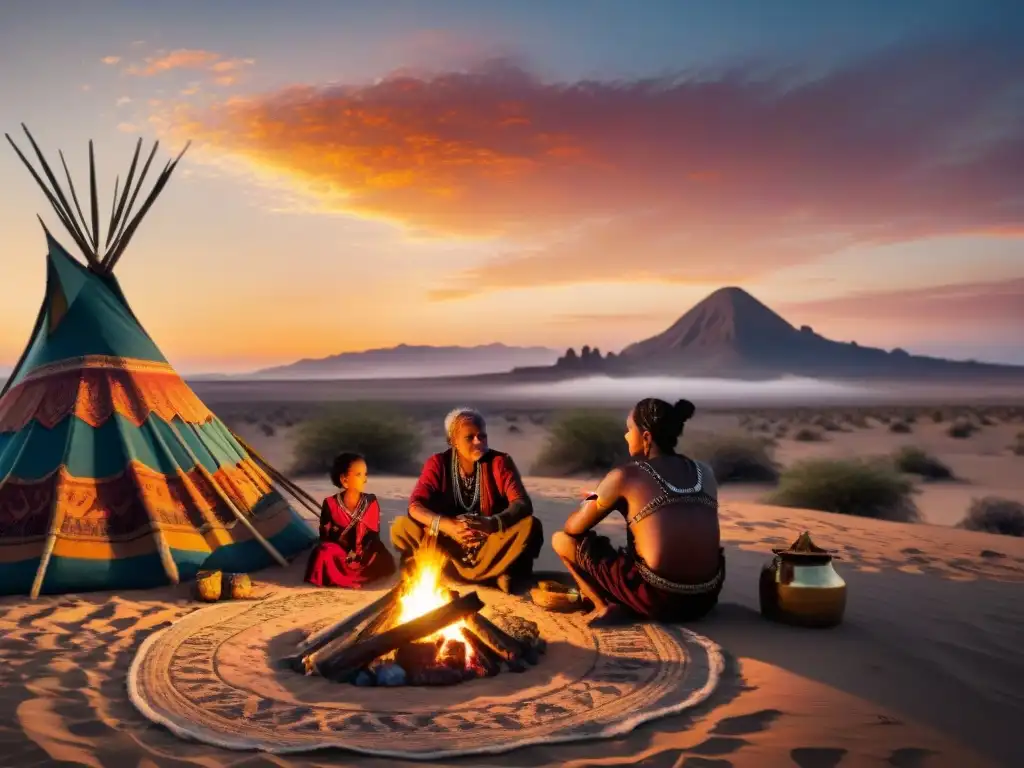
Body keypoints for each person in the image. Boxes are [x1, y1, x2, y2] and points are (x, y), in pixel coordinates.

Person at [551, 397, 725, 625]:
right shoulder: (705, 471)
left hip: (659, 601)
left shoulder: (625, 476)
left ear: (646, 437)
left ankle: (604, 606)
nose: (625, 436)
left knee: (561, 540)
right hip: (706, 598)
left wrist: (592, 497)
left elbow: (573, 527)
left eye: (628, 429)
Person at [391, 407, 543, 593]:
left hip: (489, 544)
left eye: (482, 436)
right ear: (453, 441)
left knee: (530, 525)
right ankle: (495, 573)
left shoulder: (499, 462)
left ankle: (490, 570)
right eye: (470, 437)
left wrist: (491, 524)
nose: (478, 442)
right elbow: (415, 506)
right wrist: (448, 526)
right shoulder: (437, 463)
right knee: (402, 526)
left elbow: (521, 503)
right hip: (449, 545)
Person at [305, 452, 397, 588]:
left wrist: (358, 552)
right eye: (359, 475)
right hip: (341, 552)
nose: (365, 479)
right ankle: (338, 573)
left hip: (364, 552)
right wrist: (346, 549)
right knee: (323, 551)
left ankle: (350, 573)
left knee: (380, 554)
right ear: (344, 480)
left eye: (365, 474)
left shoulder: (370, 501)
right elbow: (325, 535)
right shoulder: (330, 503)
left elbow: (373, 535)